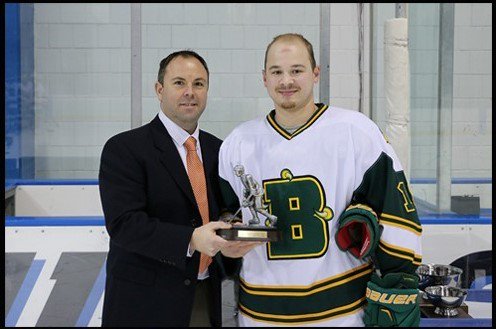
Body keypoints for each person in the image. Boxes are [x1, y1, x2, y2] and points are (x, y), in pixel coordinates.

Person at [218, 33, 423, 327]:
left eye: (296, 70)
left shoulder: (356, 132)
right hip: (260, 316)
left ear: (315, 74)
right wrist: (230, 236)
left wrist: (398, 286)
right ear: (264, 78)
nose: (286, 80)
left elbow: (396, 215)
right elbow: (225, 213)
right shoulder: (237, 143)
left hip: (342, 315)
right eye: (277, 72)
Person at [99, 50, 257, 327]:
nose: (190, 92)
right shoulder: (124, 149)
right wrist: (191, 239)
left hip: (203, 295)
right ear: (160, 90)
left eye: (199, 84)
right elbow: (125, 224)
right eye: (179, 83)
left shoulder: (220, 150)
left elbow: (226, 210)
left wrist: (231, 237)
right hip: (143, 305)